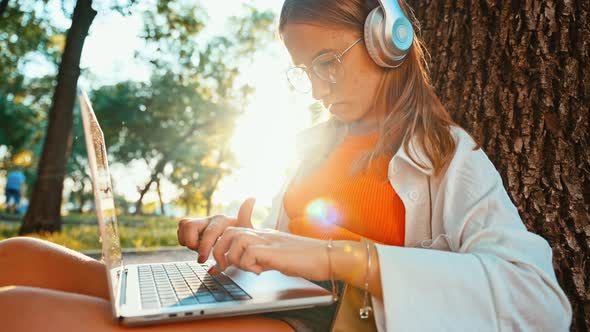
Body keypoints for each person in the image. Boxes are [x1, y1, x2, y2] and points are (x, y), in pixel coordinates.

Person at [0, 0, 572, 331]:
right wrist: (240, 237)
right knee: (18, 255)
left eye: (328, 62)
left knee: (18, 312)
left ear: (387, 41)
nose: (318, 88)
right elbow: (280, 243)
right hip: (271, 293)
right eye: (305, 71)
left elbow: (539, 302)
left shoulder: (446, 153)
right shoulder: (314, 147)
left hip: (331, 320)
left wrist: (336, 256)